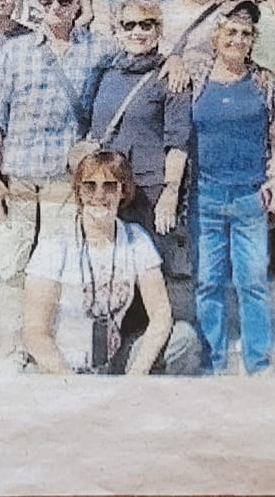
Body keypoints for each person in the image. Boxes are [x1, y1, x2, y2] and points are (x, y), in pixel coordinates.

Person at [0, 0, 121, 361]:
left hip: (66, 177)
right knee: (9, 266)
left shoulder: (100, 49)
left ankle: (51, 346)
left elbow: (138, 61)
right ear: (35, 5)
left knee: (61, 263)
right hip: (17, 176)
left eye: (64, 0)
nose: (55, 7)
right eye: (47, 0)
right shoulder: (14, 51)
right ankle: (12, 349)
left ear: (79, 4)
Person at [23, 151, 203, 376]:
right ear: (79, 191)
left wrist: (137, 373)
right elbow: (34, 331)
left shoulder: (136, 239)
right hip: (61, 366)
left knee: (184, 339)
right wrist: (68, 379)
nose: (99, 195)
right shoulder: (56, 245)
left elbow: (160, 315)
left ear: (122, 191)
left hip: (114, 363)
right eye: (90, 186)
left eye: (109, 186)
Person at [185, 3, 275, 375]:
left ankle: (258, 363)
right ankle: (212, 363)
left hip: (250, 196)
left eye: (246, 34)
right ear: (216, 37)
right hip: (206, 196)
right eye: (230, 32)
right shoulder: (197, 78)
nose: (238, 40)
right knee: (208, 281)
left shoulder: (264, 81)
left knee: (253, 282)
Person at [82, 0, 196, 320]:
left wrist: (170, 193)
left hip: (149, 190)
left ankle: (152, 339)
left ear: (159, 30)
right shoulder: (106, 72)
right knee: (111, 267)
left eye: (147, 24)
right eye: (129, 24)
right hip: (108, 189)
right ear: (117, 30)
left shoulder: (171, 77)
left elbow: (178, 141)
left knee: (150, 270)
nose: (138, 32)